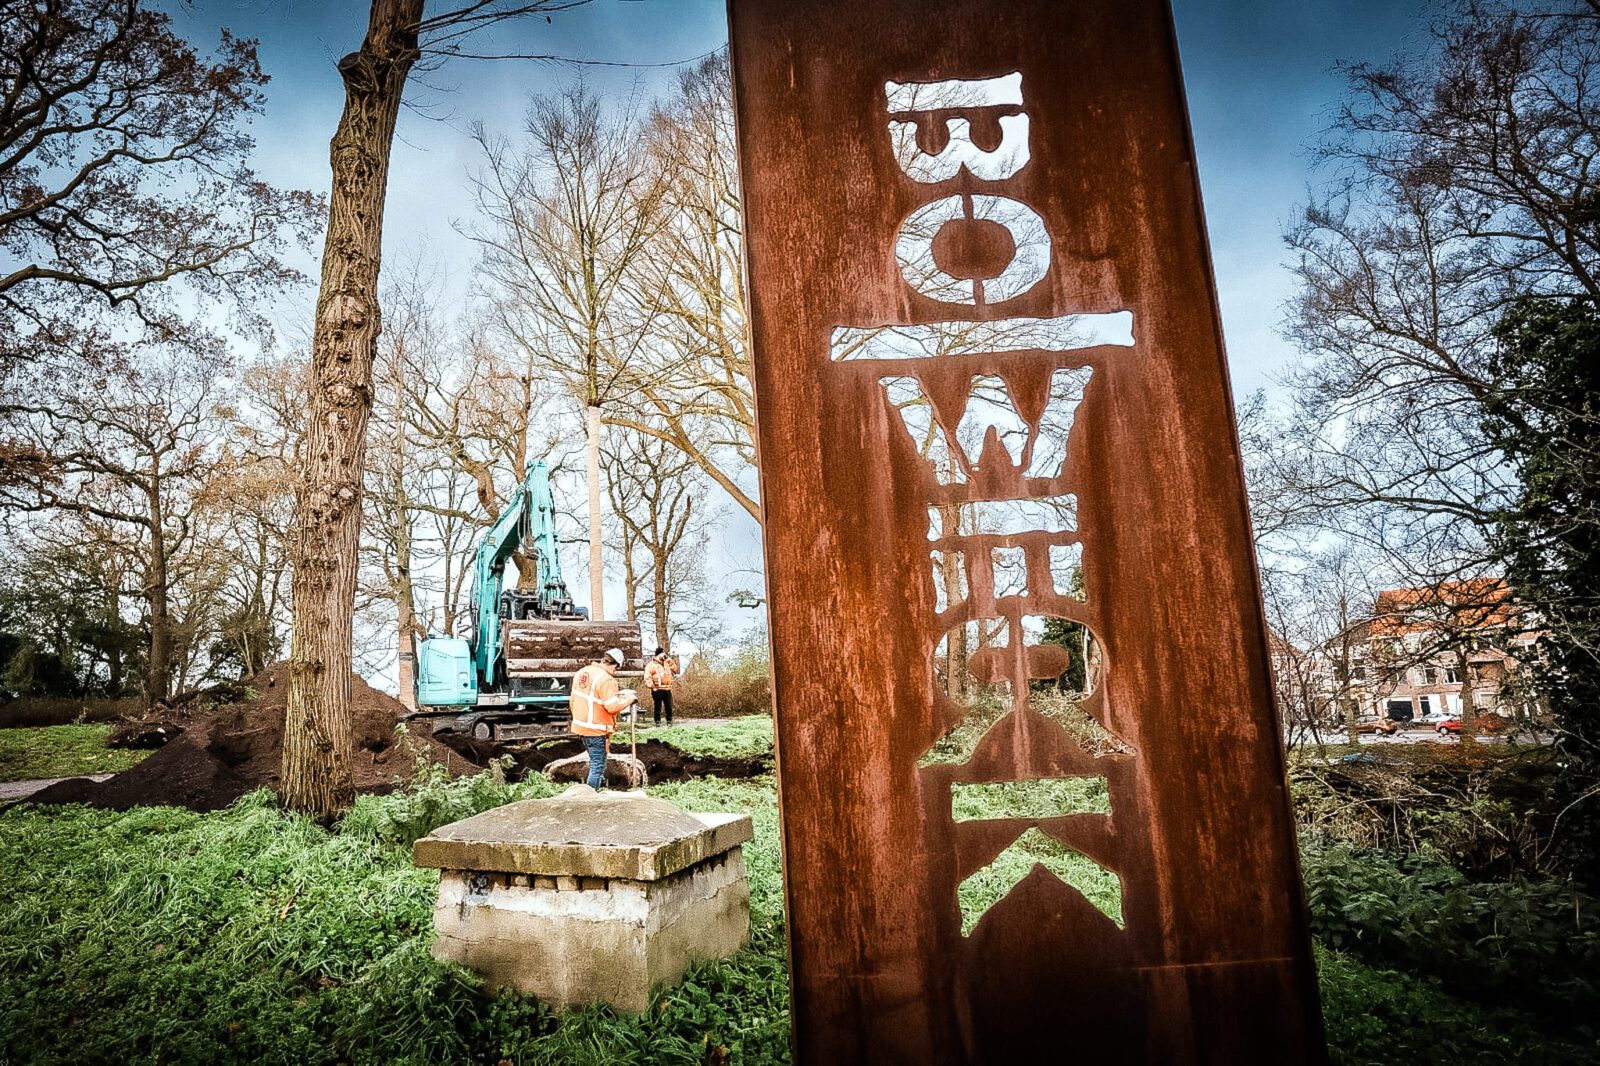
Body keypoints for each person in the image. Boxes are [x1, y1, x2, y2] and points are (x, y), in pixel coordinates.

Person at [569, 648, 636, 789]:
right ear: (615, 664)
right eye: (617, 668)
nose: (615, 672)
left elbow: (577, 699)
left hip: (581, 726)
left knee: (597, 762)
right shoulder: (606, 679)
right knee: (597, 765)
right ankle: (591, 796)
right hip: (595, 729)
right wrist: (629, 700)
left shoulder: (583, 672)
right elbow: (612, 707)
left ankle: (597, 789)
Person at [644, 646, 681, 726]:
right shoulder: (651, 665)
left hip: (667, 688)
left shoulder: (667, 663)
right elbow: (647, 677)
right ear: (659, 654)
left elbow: (675, 669)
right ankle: (657, 721)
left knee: (669, 706)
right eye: (663, 653)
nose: (664, 655)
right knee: (658, 706)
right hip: (657, 688)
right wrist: (652, 687)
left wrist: (670, 660)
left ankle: (669, 721)